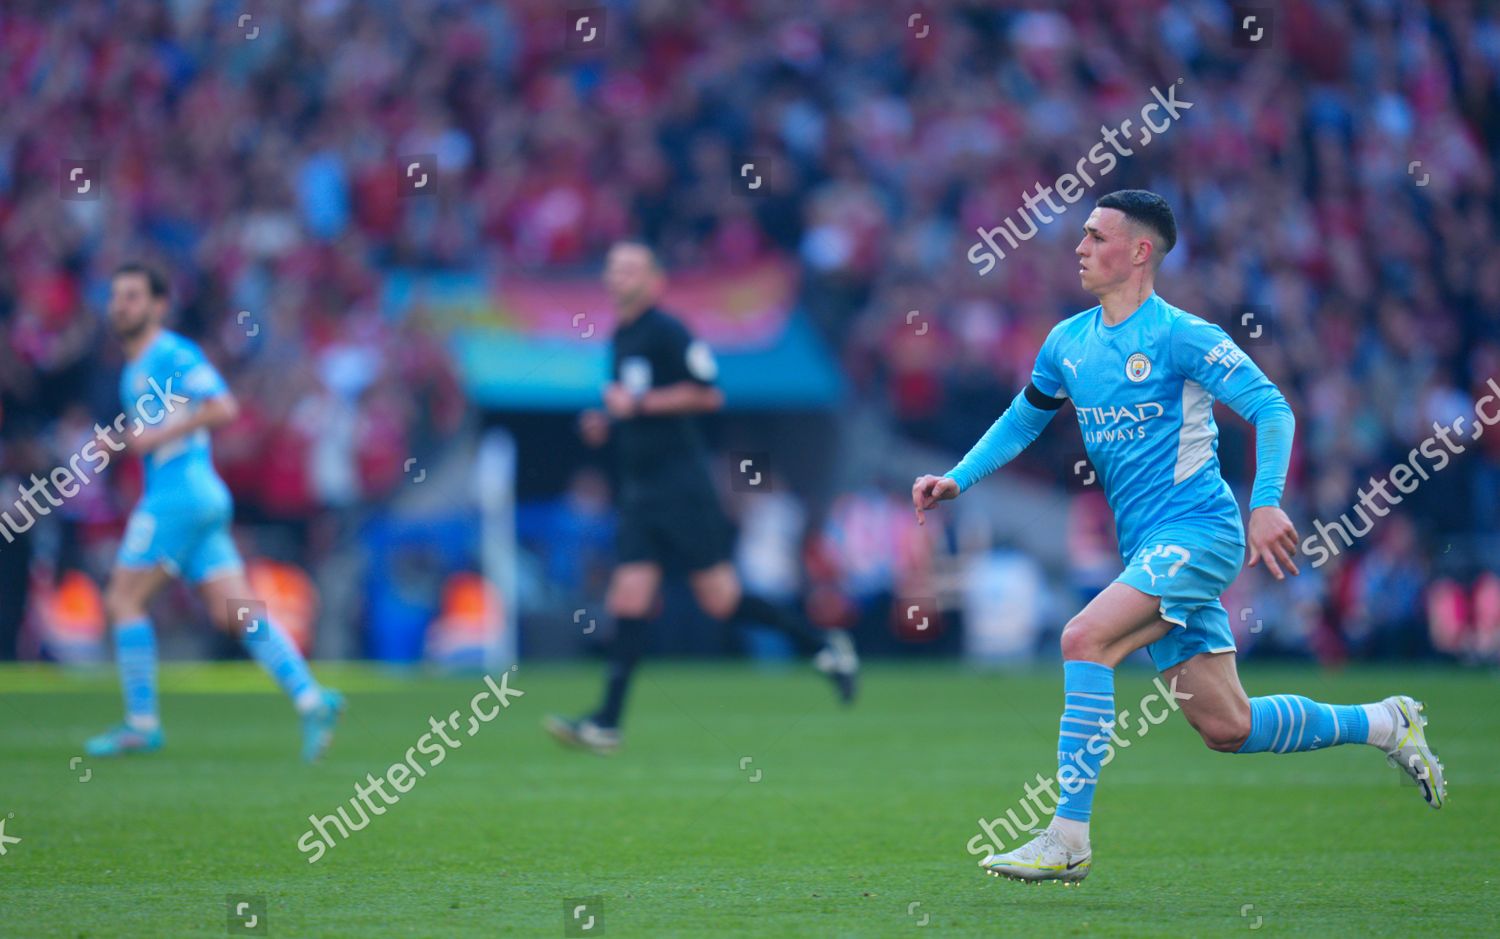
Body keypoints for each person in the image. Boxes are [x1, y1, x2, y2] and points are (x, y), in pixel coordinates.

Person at [912, 191, 1445, 884]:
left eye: (1096, 236)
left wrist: (1267, 503)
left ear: (1139, 252)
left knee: (1083, 637)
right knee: (1230, 725)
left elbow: (1272, 407)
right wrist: (959, 477)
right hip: (1149, 549)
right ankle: (1386, 720)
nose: (1079, 247)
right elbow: (1023, 419)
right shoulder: (1066, 343)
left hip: (1201, 531)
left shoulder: (1181, 335)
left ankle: (1067, 836)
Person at [545, 242, 858, 754]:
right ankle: (607, 722)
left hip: (680, 486)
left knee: (721, 600)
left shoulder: (668, 331)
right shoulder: (622, 337)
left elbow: (709, 392)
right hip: (641, 487)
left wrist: (639, 404)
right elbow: (634, 407)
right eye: (615, 268)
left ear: (654, 281)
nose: (621, 277)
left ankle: (823, 646)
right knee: (629, 596)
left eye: (632, 269)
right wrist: (609, 420)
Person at [84, 263, 343, 762]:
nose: (121, 305)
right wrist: (119, 443)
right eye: (117, 296)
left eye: (133, 296)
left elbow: (222, 407)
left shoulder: (173, 353)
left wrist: (151, 437)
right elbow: (156, 433)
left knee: (122, 600)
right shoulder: (134, 371)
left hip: (179, 495)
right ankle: (312, 699)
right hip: (195, 497)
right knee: (238, 612)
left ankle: (141, 724)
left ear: (159, 305)